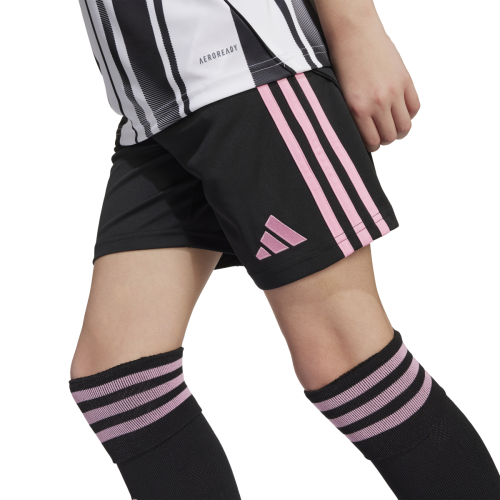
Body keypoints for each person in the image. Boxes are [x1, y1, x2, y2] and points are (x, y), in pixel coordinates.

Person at [69, 0, 500, 498]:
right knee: (122, 382)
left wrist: (358, 28)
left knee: (347, 360)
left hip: (248, 67)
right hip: (154, 102)